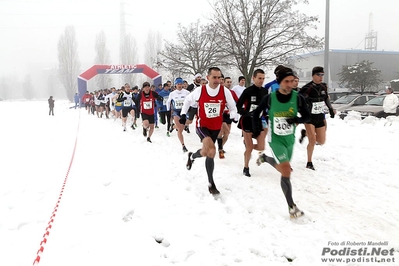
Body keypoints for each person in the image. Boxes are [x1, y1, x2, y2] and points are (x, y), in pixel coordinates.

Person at [252, 67, 311, 218]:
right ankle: (292, 207)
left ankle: (265, 158)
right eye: (286, 81)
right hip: (275, 139)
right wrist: (257, 128)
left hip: (289, 139)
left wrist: (296, 120)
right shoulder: (270, 98)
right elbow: (256, 113)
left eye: (292, 81)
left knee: (283, 168)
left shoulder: (298, 98)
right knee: (286, 170)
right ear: (279, 82)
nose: (290, 84)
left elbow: (307, 116)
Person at [180, 67, 238, 195]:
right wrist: (184, 114)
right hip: (202, 126)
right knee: (212, 151)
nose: (217, 80)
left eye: (219, 78)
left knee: (207, 152)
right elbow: (187, 100)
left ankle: (192, 156)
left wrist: (234, 116)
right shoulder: (200, 90)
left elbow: (233, 107)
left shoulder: (225, 92)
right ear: (208, 77)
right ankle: (211, 184)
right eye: (214, 77)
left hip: (215, 127)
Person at [299, 66, 335, 170]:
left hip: (320, 116)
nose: (321, 77)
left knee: (321, 141)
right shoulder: (307, 88)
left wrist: (331, 109)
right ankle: (309, 162)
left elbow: (326, 98)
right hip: (310, 118)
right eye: (319, 75)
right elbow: (299, 100)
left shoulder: (324, 87)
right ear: (313, 76)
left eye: (322, 75)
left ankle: (304, 133)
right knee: (312, 140)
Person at [235, 69, 268, 177]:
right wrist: (246, 113)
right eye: (259, 78)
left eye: (263, 78)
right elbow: (238, 106)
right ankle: (246, 167)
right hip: (247, 121)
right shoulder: (248, 91)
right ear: (253, 78)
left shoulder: (264, 91)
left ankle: (248, 145)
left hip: (258, 121)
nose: (261, 80)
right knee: (249, 148)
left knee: (261, 146)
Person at [216, 76, 238, 159]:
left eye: (230, 82)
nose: (229, 83)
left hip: (229, 114)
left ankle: (220, 146)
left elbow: (238, 101)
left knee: (227, 133)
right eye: (227, 82)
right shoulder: (219, 91)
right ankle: (220, 149)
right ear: (223, 82)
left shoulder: (232, 92)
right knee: (222, 131)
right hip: (221, 114)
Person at [166, 78, 191, 151]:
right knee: (180, 129)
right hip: (176, 112)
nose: (179, 85)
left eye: (180, 84)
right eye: (178, 84)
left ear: (183, 84)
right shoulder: (172, 93)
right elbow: (168, 102)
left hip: (184, 112)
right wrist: (168, 111)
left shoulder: (187, 92)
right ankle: (183, 146)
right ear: (175, 85)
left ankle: (173, 126)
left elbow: (191, 101)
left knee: (181, 128)